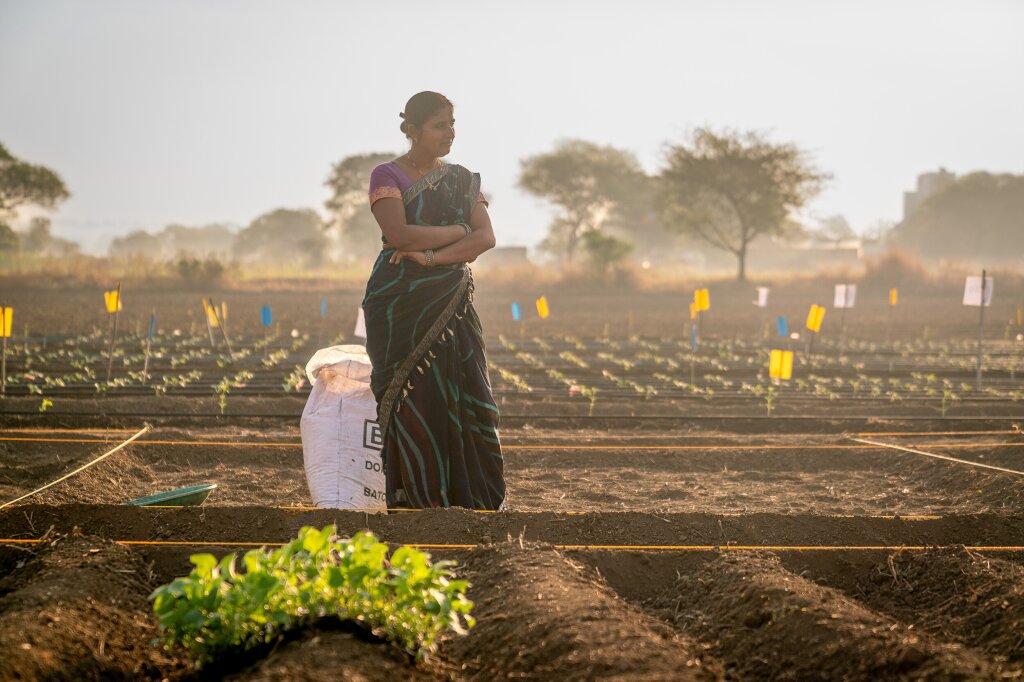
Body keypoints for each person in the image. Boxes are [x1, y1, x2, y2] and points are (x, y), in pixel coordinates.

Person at [362, 91, 505, 510]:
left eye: (452, 125)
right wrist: (458, 231)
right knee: (411, 396)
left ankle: (467, 497)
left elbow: (487, 238)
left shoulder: (461, 179)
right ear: (413, 130)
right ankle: (414, 495)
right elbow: (399, 235)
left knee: (462, 388)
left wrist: (432, 257)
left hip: (451, 300)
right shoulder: (386, 175)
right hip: (398, 303)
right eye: (440, 126)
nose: (450, 134)